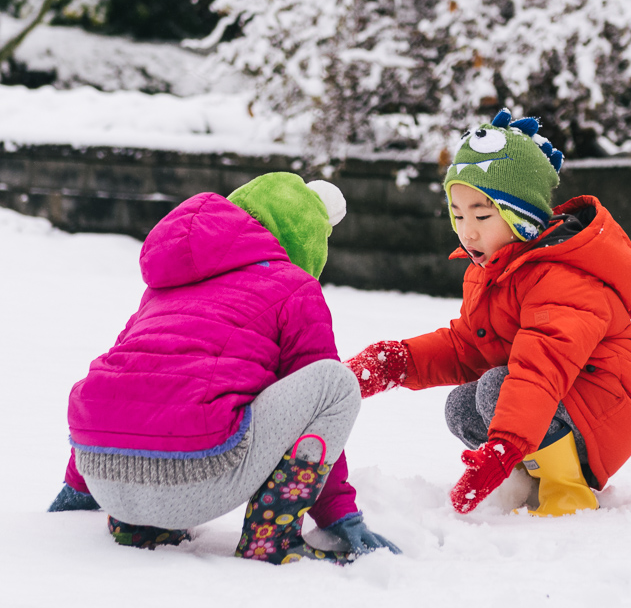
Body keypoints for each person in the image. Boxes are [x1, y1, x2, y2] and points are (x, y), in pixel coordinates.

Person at [48, 172, 399, 564]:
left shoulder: (166, 283)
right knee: (335, 384)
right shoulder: (293, 286)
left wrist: (78, 488)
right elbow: (320, 401)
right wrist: (339, 514)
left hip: (105, 477)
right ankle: (270, 537)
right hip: (196, 481)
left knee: (149, 373)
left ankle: (143, 523)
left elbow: (127, 379)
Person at [345, 111, 631, 517]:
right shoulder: (493, 271)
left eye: (482, 215)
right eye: (457, 215)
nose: (467, 231)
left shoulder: (561, 277)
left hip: (603, 409)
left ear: (521, 219)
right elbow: (468, 346)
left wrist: (505, 443)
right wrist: (396, 362)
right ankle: (524, 476)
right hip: (554, 400)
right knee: (462, 407)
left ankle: (567, 490)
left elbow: (539, 367)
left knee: (495, 388)